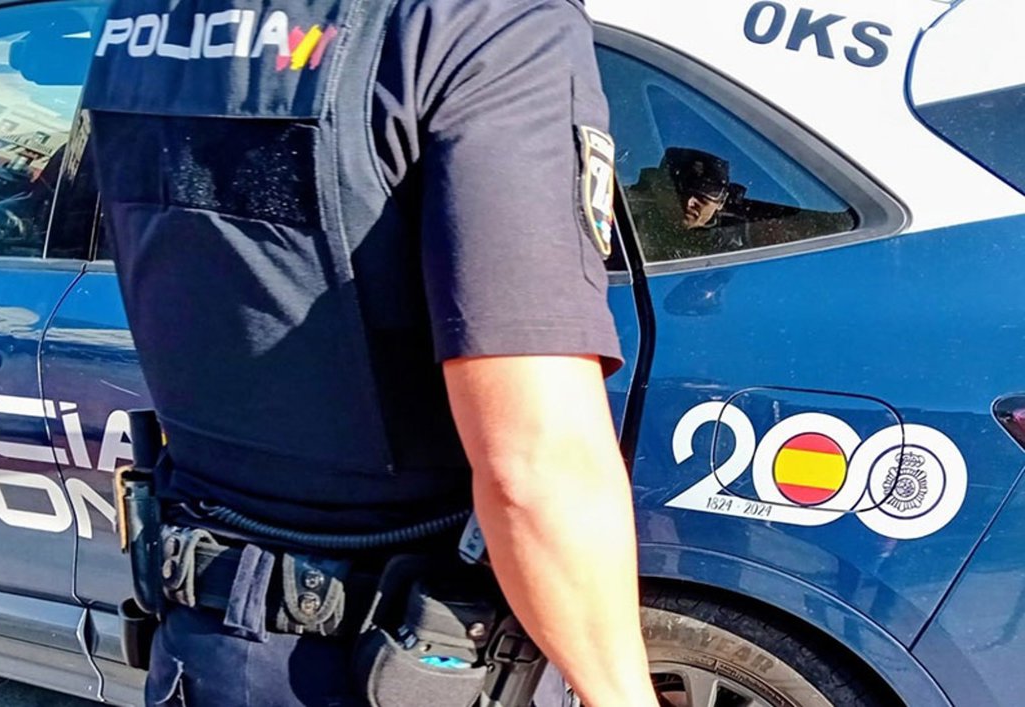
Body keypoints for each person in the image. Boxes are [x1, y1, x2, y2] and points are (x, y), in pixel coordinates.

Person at [84, 0, 657, 705]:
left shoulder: (138, 15)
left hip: (200, 646)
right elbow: (537, 463)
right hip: (383, 659)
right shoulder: (481, 19)